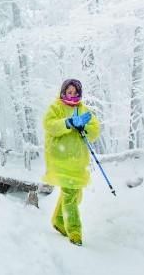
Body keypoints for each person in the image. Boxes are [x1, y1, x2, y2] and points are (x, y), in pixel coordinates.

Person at [43, 78, 101, 247]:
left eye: (76, 93)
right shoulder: (56, 107)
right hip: (61, 158)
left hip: (77, 161)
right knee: (70, 195)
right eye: (69, 92)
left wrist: (85, 128)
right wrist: (67, 123)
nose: (72, 95)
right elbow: (49, 125)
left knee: (76, 194)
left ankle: (59, 220)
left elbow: (95, 129)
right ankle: (74, 231)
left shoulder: (83, 109)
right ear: (63, 92)